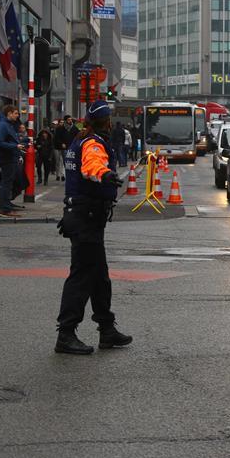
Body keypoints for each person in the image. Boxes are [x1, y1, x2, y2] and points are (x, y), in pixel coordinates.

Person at [54, 100, 131, 355]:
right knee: (82, 276)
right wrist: (106, 174)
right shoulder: (93, 143)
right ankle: (66, 333)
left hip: (84, 216)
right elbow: (92, 167)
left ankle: (106, 329)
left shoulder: (80, 139)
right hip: (86, 216)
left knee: (99, 276)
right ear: (106, 121)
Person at [0, 105, 26, 217]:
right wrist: (15, 146)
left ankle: (5, 205)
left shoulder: (9, 125)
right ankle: (5, 209)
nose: (17, 116)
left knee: (8, 183)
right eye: (16, 113)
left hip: (11, 157)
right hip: (7, 158)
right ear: (9, 113)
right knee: (6, 183)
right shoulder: (3, 125)